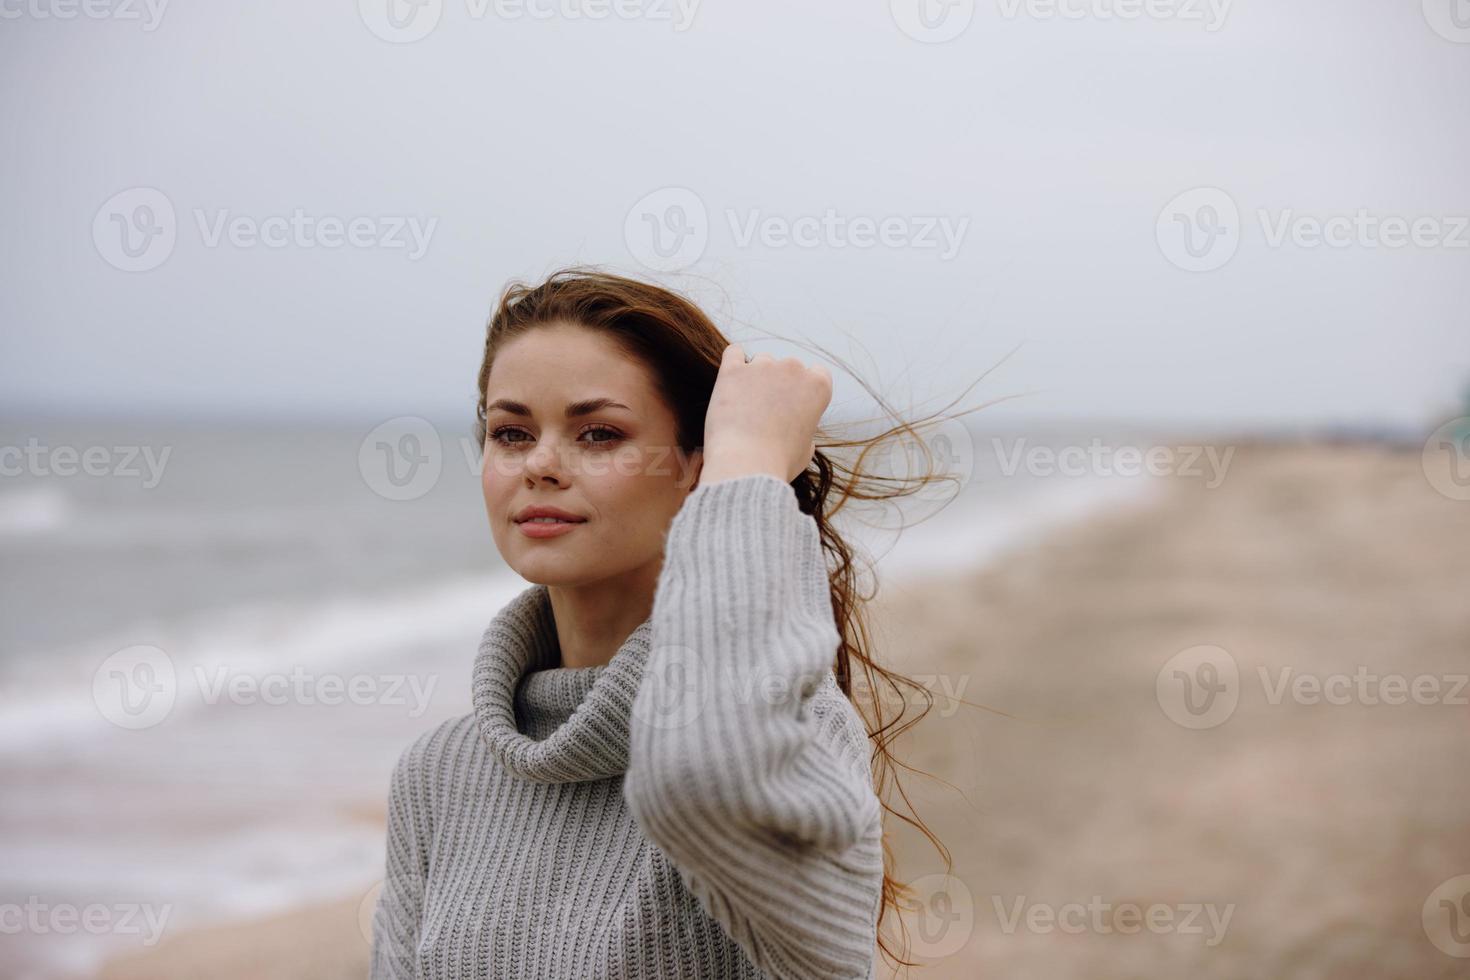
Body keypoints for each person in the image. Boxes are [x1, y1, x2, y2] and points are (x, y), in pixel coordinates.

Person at [369, 268, 956, 979]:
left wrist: (749, 468)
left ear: (696, 469)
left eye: (598, 433)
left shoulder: (796, 739)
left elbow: (698, 781)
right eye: (511, 432)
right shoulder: (437, 775)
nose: (541, 465)